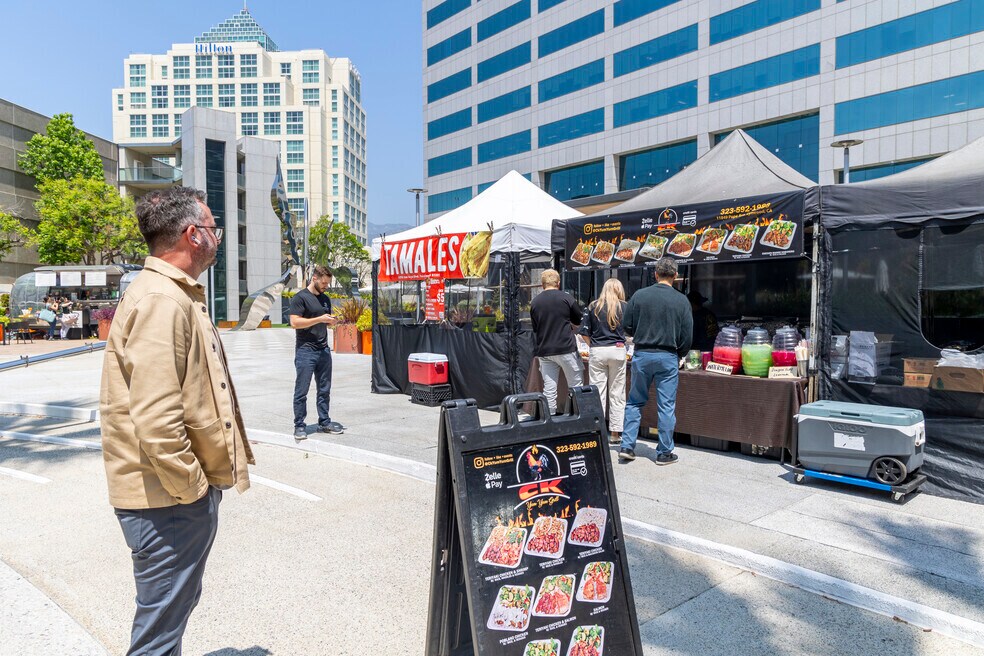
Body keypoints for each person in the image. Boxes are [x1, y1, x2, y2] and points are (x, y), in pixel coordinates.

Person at [100, 186, 254, 656]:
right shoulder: (163, 302)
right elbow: (157, 418)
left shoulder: (168, 294)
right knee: (159, 630)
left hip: (168, 496)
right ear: (193, 235)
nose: (218, 238)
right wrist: (194, 488)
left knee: (168, 614)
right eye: (214, 229)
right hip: (167, 500)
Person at [619, 257, 693, 465]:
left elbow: (627, 325)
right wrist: (680, 353)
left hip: (642, 354)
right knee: (666, 405)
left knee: (634, 401)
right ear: (676, 276)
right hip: (668, 356)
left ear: (655, 274)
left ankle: (627, 446)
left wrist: (640, 333)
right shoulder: (681, 300)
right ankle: (664, 452)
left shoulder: (639, 296)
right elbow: (687, 335)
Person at [289, 264, 344, 439]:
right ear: (314, 278)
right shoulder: (300, 298)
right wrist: (319, 318)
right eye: (324, 283)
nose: (326, 286)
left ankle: (324, 422)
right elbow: (295, 323)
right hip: (306, 351)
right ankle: (299, 425)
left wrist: (330, 322)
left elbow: (323, 322)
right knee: (302, 390)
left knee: (324, 389)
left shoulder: (325, 299)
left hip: (323, 350)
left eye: (327, 283)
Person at [579, 278, 628, 445]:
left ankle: (597, 431)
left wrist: (593, 345)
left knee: (598, 392)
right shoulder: (624, 306)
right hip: (618, 350)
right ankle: (615, 433)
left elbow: (583, 332)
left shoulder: (593, 306)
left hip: (598, 350)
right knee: (617, 393)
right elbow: (629, 331)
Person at [530, 269, 584, 414]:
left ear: (542, 285)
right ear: (558, 283)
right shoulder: (566, 298)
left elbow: (535, 328)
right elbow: (578, 320)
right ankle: (576, 418)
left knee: (549, 388)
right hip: (566, 347)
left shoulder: (535, 302)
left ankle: (550, 420)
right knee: (576, 385)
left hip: (545, 350)